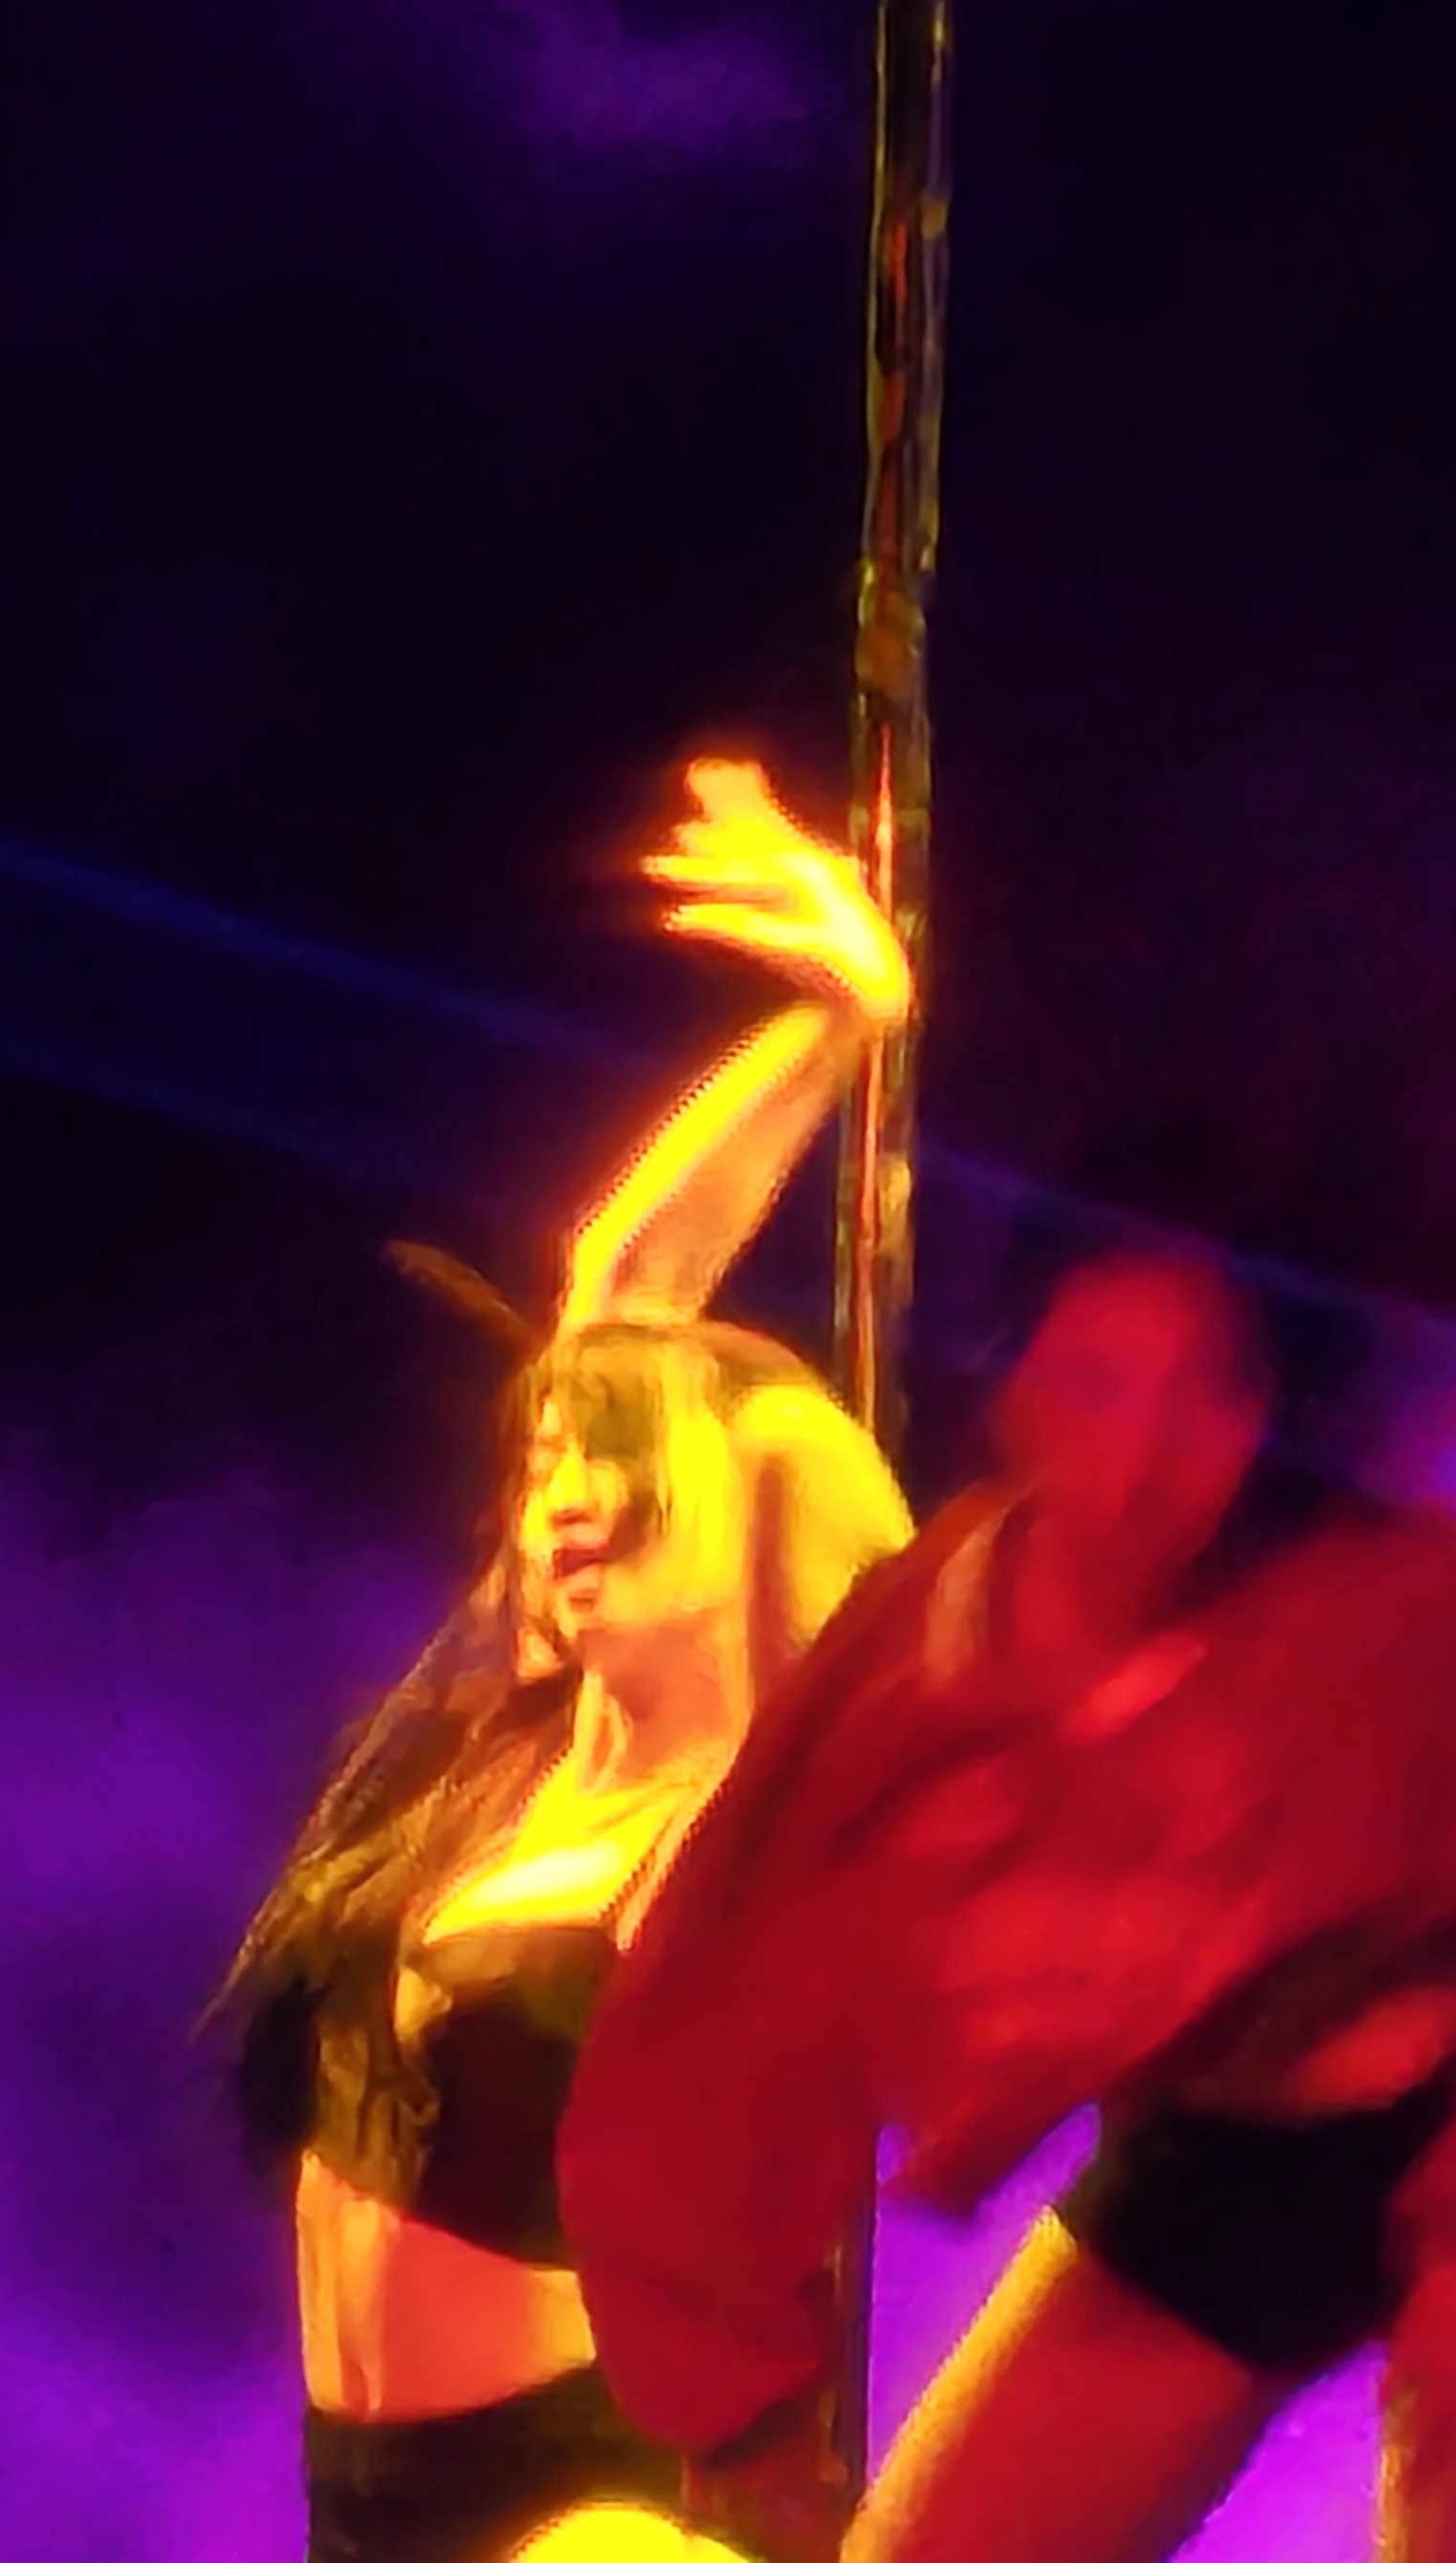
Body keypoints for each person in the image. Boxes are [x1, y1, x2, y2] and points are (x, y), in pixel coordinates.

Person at [557, 1240, 1456, 2563]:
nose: (1151, 1454)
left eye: (1207, 1393)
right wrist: (737, 2405)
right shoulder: (916, 1662)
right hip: (1223, 2170)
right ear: (1016, 1400)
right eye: (1098, 1386)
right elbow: (716, 2007)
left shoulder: (1412, 1615)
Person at [213, 761, 922, 2563]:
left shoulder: (729, 1834)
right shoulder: (527, 1744)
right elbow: (615, 1290)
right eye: (546, 1469)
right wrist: (837, 1022)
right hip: (361, 2509)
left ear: (750, 1529)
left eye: (619, 1473)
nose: (563, 1501)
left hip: (568, 2498)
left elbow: (635, 1316)